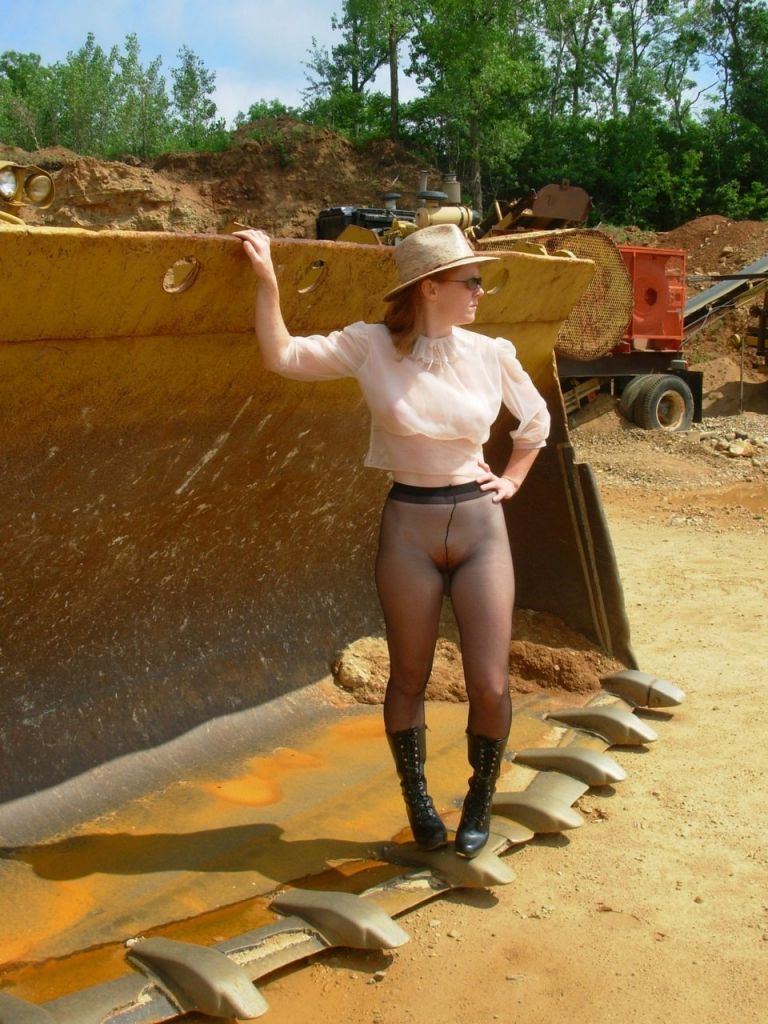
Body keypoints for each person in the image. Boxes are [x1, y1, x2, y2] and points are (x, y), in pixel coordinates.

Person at [236, 223, 550, 858]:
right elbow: (284, 357)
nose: (480, 292)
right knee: (408, 675)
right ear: (430, 287)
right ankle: (419, 801)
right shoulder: (371, 345)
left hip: (479, 526)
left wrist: (513, 478)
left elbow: (535, 420)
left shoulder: (490, 352)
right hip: (409, 526)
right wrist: (267, 280)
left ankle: (479, 801)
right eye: (471, 281)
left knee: (490, 683)